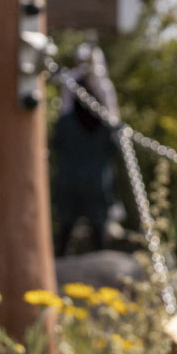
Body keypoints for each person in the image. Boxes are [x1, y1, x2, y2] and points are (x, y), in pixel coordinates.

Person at [51, 43, 120, 257]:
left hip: (91, 171)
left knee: (95, 220)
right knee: (68, 220)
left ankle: (100, 258)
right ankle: (63, 257)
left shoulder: (101, 88)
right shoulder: (72, 85)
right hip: (77, 171)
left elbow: (113, 128)